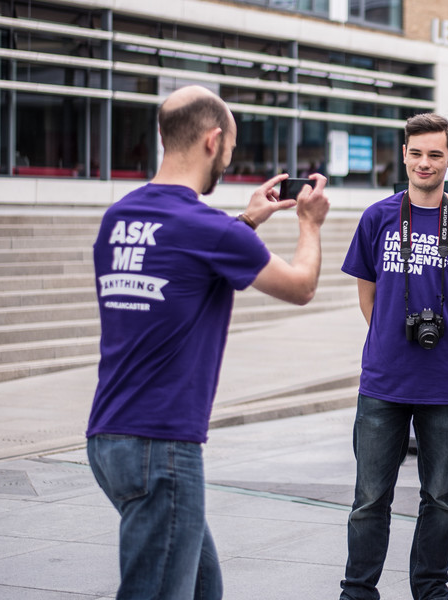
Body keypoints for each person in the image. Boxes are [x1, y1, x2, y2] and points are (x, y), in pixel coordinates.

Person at [86, 85, 330, 600]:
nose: (229, 160)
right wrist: (308, 223)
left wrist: (245, 221)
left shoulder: (118, 219)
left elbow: (182, 263)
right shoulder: (208, 230)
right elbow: (301, 286)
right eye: (232, 149)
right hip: (163, 445)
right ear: (212, 140)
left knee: (202, 587)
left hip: (109, 438)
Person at [339, 113, 448, 600]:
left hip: (445, 382)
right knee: (369, 499)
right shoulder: (377, 217)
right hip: (383, 381)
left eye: (434, 155)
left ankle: (431, 591)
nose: (424, 163)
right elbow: (369, 297)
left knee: (441, 498)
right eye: (416, 153)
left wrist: (441, 340)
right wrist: (390, 334)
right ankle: (358, 591)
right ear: (404, 154)